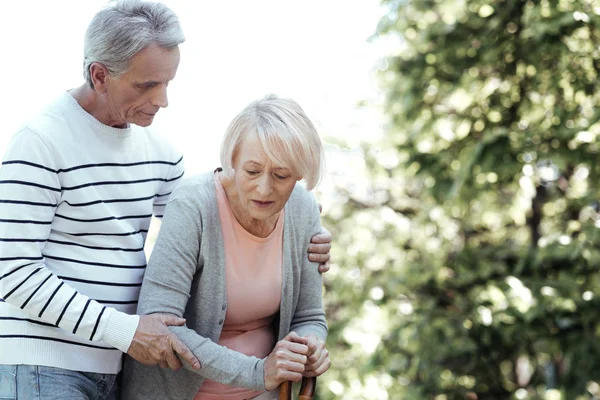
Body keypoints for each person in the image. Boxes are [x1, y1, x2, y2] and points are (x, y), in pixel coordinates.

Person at [0, 1, 331, 399]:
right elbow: (12, 270)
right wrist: (127, 330)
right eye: (146, 85)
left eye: (167, 83)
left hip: (117, 365)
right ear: (100, 75)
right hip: (44, 364)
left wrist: (306, 234)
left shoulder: (160, 152)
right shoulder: (40, 141)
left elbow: (213, 220)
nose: (163, 100)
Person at [122, 95, 331, 400]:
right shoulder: (192, 205)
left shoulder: (303, 209)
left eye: (281, 175)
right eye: (252, 171)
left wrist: (309, 345)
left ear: (300, 172)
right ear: (232, 159)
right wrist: (257, 372)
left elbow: (309, 315)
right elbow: (159, 323)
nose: (264, 188)